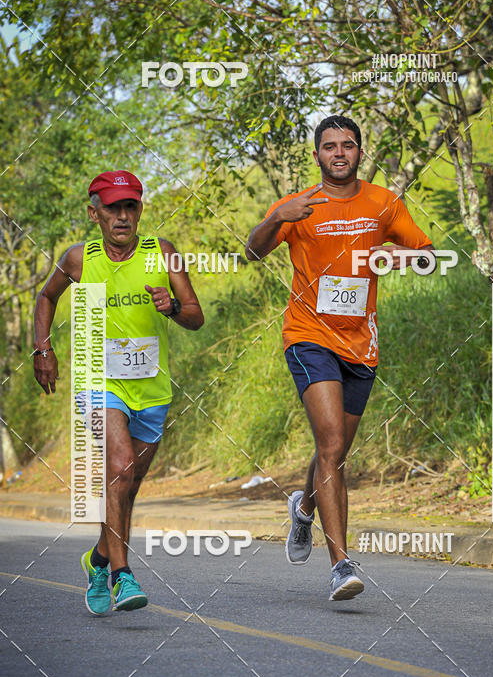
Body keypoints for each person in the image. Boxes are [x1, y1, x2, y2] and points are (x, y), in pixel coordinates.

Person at [245, 116, 433, 601]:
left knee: (336, 451)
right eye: (329, 147)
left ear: (359, 152)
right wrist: (278, 217)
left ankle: (303, 508)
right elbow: (253, 251)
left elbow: (427, 253)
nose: (339, 153)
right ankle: (340, 564)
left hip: (361, 344)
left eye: (348, 145)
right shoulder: (301, 205)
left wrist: (400, 259)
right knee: (331, 446)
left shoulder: (383, 202)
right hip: (309, 336)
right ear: (317, 156)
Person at [33, 170, 204, 615]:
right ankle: (121, 576)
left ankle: (97, 559)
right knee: (120, 469)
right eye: (112, 208)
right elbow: (47, 297)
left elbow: (195, 316)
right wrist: (43, 349)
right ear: (95, 214)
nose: (122, 216)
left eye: (130, 207)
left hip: (152, 387)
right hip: (99, 383)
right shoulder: (78, 259)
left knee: (126, 487)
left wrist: (172, 309)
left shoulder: (162, 254)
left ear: (140, 211)